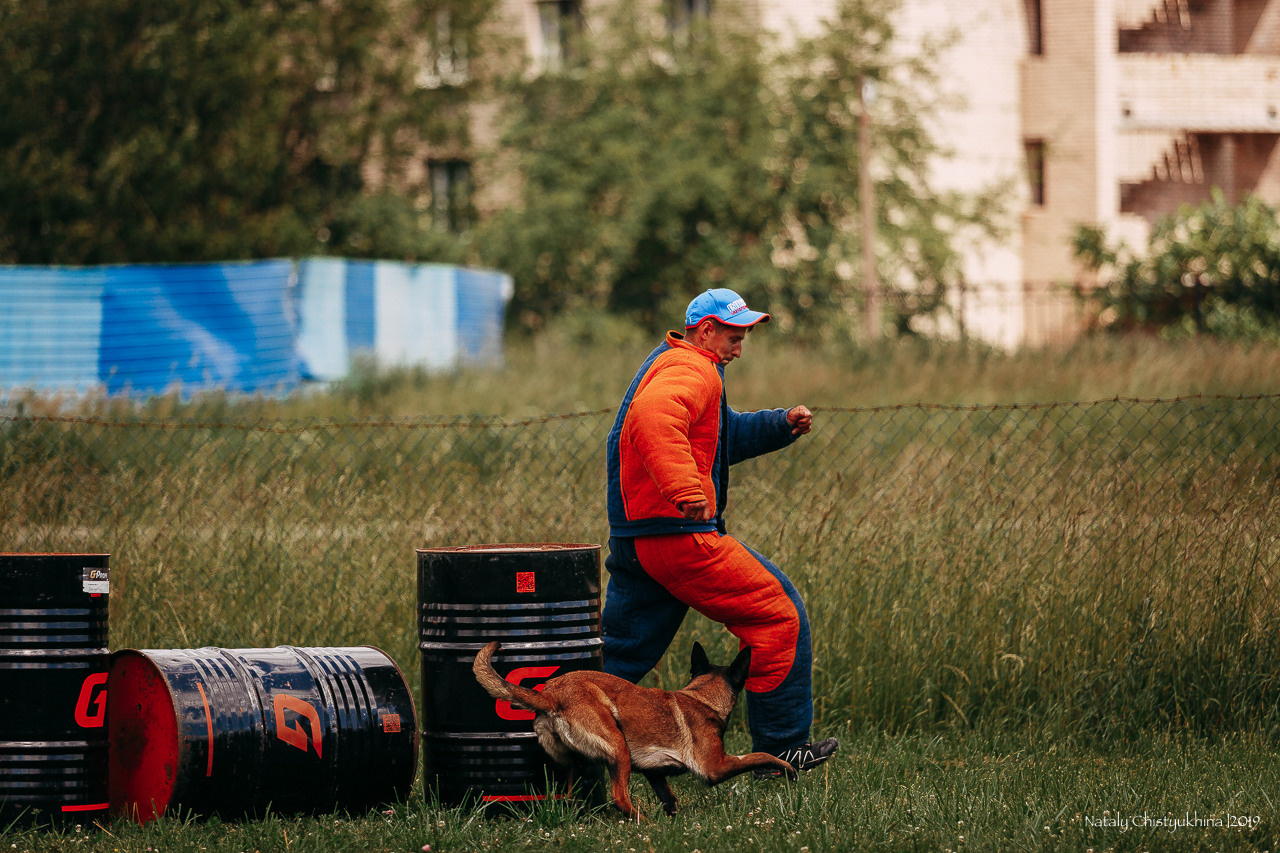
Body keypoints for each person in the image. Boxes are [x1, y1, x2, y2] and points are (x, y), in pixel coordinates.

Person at [602, 287, 838, 775]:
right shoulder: (693, 368)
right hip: (678, 537)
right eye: (734, 337)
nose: (739, 348)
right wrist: (685, 490)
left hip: (638, 540)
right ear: (706, 330)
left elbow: (716, 437)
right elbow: (653, 418)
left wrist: (779, 425)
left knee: (616, 659)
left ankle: (545, 750)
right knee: (778, 617)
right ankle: (782, 751)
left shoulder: (669, 362)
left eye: (744, 337)